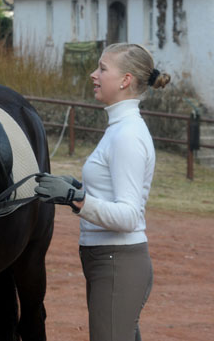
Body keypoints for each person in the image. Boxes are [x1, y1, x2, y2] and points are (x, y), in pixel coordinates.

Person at [34, 43, 171, 341]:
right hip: (108, 260)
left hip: (117, 261)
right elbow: (112, 192)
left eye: (102, 68)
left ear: (125, 80)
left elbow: (129, 216)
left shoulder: (127, 135)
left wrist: (77, 199)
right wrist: (80, 189)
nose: (93, 74)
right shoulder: (119, 128)